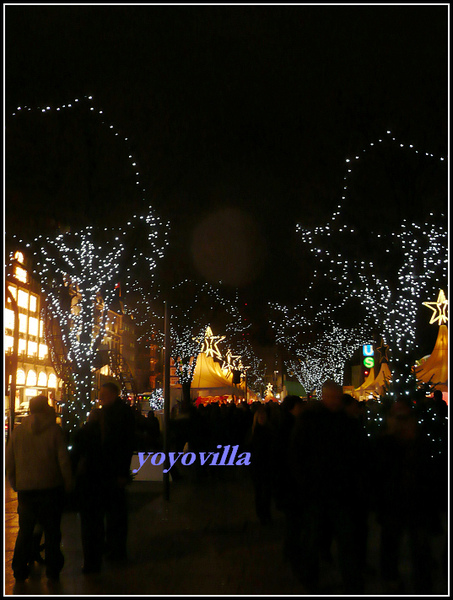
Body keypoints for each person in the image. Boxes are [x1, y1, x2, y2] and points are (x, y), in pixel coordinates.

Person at [290, 380, 366, 594]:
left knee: (345, 540)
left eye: (336, 397)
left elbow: (359, 455)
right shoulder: (311, 421)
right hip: (318, 491)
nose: (333, 401)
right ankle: (311, 577)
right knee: (315, 538)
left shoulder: (347, 423)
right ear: (323, 397)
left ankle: (350, 579)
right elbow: (297, 454)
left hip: (341, 491)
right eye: (330, 397)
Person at [6, 395, 73, 584]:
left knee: (25, 530)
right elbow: (63, 461)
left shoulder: (18, 432)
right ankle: (53, 569)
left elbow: (9, 462)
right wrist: (68, 483)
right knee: (52, 531)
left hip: (26, 490)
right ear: (46, 409)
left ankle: (19, 568)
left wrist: (15, 483)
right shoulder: (55, 431)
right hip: (51, 488)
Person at [374, 397, 438, 594]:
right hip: (393, 502)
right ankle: (392, 578)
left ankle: (422, 581)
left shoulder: (420, 441)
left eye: (404, 415)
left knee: (419, 545)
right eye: (396, 415)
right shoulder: (384, 442)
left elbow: (430, 471)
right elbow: (377, 474)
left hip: (417, 502)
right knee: (391, 544)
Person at [99, 382, 136, 563]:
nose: (100, 397)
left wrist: (122, 471)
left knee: (116, 511)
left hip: (114, 469)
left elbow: (123, 444)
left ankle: (117, 549)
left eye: (104, 394)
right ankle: (113, 546)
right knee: (113, 510)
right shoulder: (113, 411)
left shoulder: (119, 414)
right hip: (110, 469)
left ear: (113, 394)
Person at [70, 408, 105, 574]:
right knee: (98, 522)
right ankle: (97, 556)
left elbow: (73, 456)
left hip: (85, 483)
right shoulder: (104, 434)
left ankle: (89, 559)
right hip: (100, 481)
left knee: (87, 524)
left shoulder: (81, 433)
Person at [250, 405, 274, 525]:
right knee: (260, 492)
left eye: (263, 416)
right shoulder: (255, 433)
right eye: (260, 417)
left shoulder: (269, 431)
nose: (262, 418)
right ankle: (262, 514)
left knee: (266, 492)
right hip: (258, 467)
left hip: (266, 466)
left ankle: (266, 513)